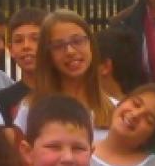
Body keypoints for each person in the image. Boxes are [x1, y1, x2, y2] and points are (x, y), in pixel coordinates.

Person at [13, 10, 118, 141]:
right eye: (58, 46)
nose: (70, 51)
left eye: (77, 41)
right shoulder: (31, 109)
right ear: (47, 54)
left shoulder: (116, 110)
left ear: (91, 44)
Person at [0, 7, 48, 126]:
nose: (26, 46)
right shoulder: (2, 100)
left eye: (35, 39)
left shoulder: (66, 92)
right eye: (18, 41)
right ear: (10, 49)